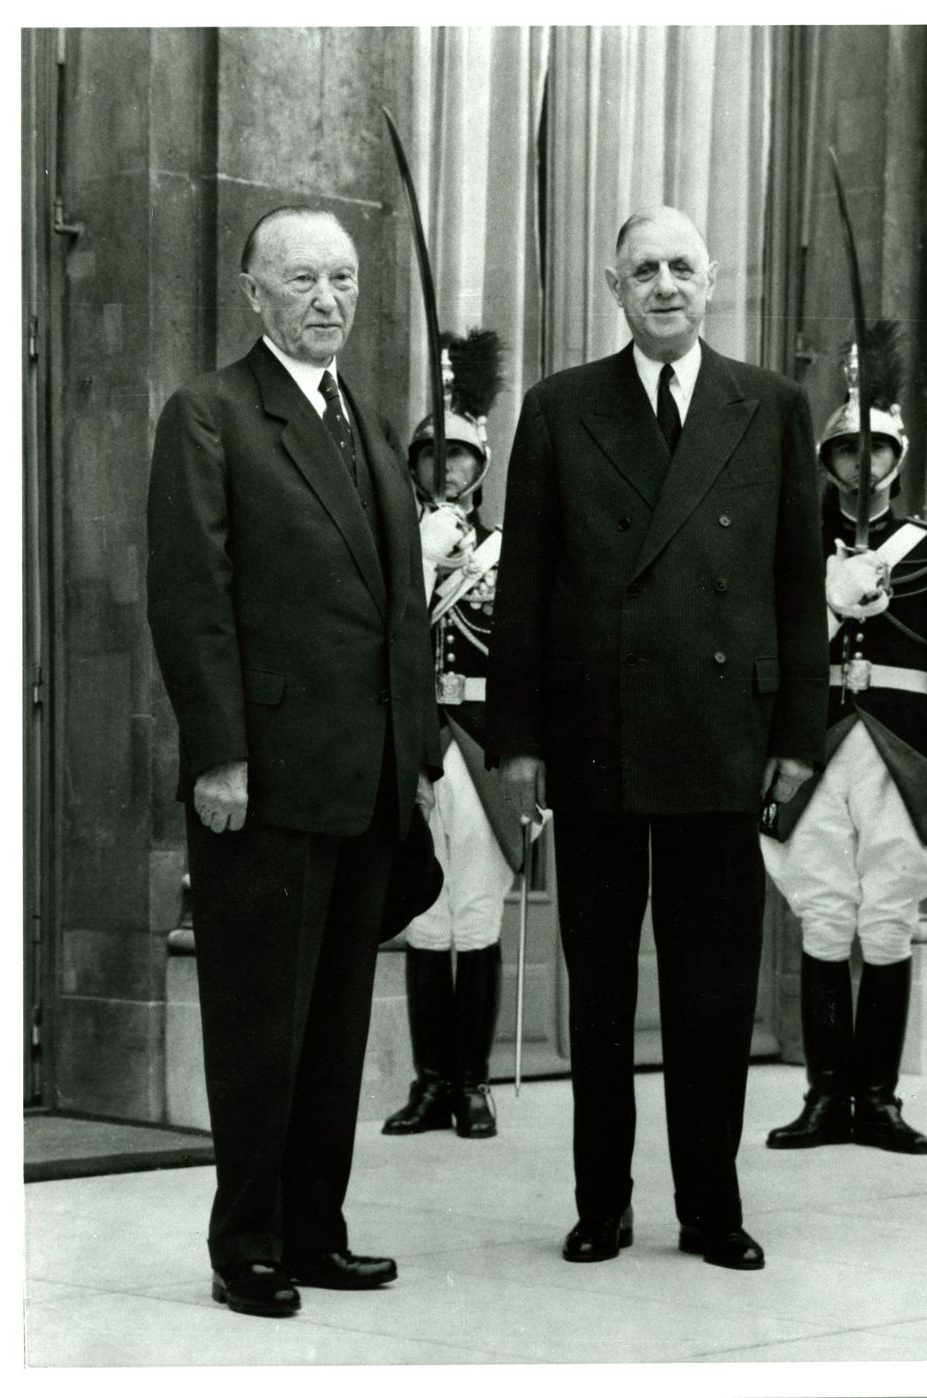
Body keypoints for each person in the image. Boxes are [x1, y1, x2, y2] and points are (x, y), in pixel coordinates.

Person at [486, 205, 829, 1271]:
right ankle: (601, 1203)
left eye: (683, 266)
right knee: (599, 990)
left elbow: (794, 588)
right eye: (644, 269)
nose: (665, 284)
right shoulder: (558, 409)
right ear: (613, 285)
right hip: (595, 741)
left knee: (712, 991)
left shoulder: (768, 407)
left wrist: (797, 739)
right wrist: (519, 746)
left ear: (713, 281)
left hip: (723, 741)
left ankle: (710, 1208)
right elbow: (526, 588)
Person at [147, 206, 443, 1318]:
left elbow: (401, 611)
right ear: (253, 291)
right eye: (303, 279)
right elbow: (192, 604)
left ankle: (316, 1230)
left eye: (344, 279)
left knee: (332, 1026)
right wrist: (218, 756)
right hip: (263, 781)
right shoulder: (213, 415)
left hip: (363, 780)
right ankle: (249, 1246)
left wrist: (412, 757)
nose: (329, 299)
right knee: (261, 1026)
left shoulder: (361, 420)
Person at [762, 322, 927, 1157]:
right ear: (827, 463)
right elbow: (768, 652)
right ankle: (824, 1095)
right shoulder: (794, 552)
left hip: (903, 747)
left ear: (899, 457)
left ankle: (877, 1099)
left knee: (886, 916)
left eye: (875, 451)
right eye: (846, 452)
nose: (861, 466)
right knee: (822, 909)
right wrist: (824, 603)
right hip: (813, 744)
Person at [383, 330, 528, 1141]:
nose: (448, 471)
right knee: (419, 916)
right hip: (414, 741)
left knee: (473, 914)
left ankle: (471, 1083)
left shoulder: (510, 553)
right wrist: (418, 561)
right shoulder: (396, 546)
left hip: (479, 743)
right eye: (433, 456)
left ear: (482, 468)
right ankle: (429, 1082)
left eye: (462, 458)